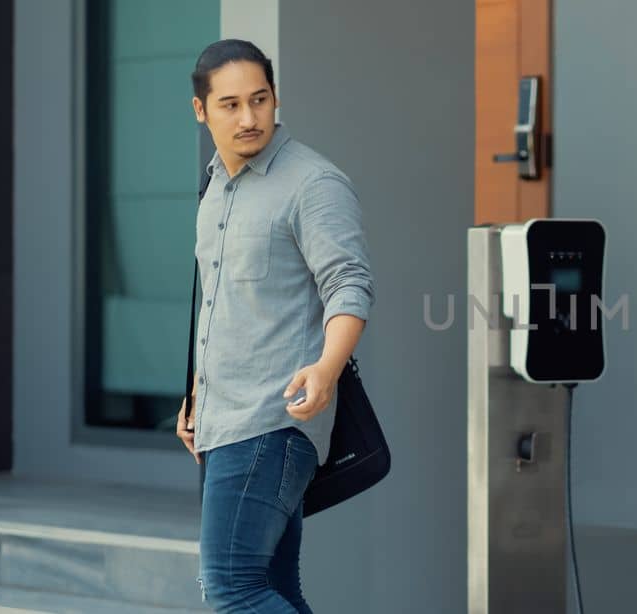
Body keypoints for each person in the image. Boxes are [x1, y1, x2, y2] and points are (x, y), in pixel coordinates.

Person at [174, 38, 373, 613]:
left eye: (259, 100)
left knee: (232, 590)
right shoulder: (214, 188)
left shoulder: (313, 183)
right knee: (274, 590)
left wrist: (327, 368)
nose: (248, 117)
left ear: (275, 98)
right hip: (222, 420)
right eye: (230, 104)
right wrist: (197, 396)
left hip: (271, 421)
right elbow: (227, 309)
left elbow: (350, 284)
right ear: (200, 110)